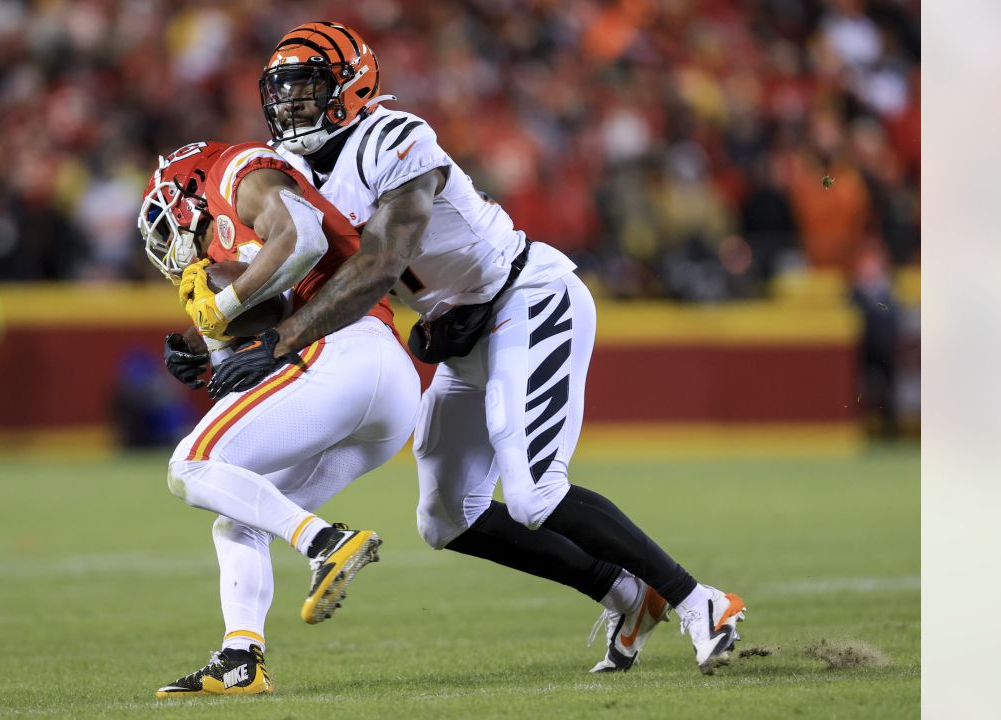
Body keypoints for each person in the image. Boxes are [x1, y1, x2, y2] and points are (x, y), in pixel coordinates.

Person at [208, 22, 746, 674]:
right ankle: (626, 593)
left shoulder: (392, 136)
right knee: (445, 518)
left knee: (533, 492)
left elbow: (383, 261)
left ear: (353, 86)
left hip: (525, 299)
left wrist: (284, 341)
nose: (291, 106)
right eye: (283, 92)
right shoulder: (293, 173)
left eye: (308, 89)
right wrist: (215, 322)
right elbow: (307, 271)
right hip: (463, 330)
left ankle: (701, 602)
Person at [139, 140, 420, 696]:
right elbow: (280, 310)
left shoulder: (235, 174)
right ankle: (241, 660)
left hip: (352, 351)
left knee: (189, 465)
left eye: (165, 223)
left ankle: (322, 542)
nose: (171, 243)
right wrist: (208, 345)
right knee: (239, 516)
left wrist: (221, 308)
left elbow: (305, 239)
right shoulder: (241, 234)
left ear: (184, 192)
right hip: (384, 387)